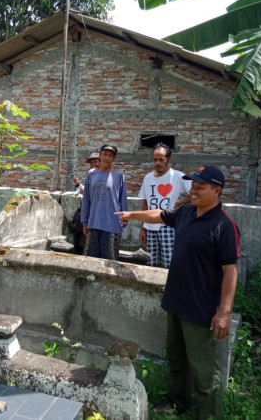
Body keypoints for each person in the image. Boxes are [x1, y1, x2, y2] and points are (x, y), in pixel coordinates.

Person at [116, 166, 240, 419]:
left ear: (217, 191)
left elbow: (231, 270)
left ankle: (208, 414)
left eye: (200, 187)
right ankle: (177, 403)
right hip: (176, 301)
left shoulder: (224, 226)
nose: (193, 190)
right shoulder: (186, 212)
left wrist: (224, 313)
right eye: (192, 185)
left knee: (205, 371)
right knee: (177, 360)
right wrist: (132, 214)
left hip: (201, 308)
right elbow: (158, 215)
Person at [138, 143, 191, 268]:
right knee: (151, 262)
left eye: (161, 159)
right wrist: (143, 228)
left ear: (169, 159)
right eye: (155, 159)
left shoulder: (178, 176)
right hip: (150, 226)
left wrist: (179, 203)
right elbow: (145, 204)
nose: (158, 163)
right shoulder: (148, 178)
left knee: (169, 263)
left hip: (168, 225)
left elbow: (195, 195)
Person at [81, 144, 127, 260]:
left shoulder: (119, 176)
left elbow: (123, 200)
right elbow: (86, 199)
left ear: (114, 159)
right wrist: (85, 221)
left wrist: (123, 221)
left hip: (112, 224)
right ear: (100, 156)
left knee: (110, 261)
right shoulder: (91, 175)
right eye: (105, 154)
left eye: (110, 155)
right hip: (94, 222)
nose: (107, 158)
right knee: (91, 261)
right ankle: (91, 279)